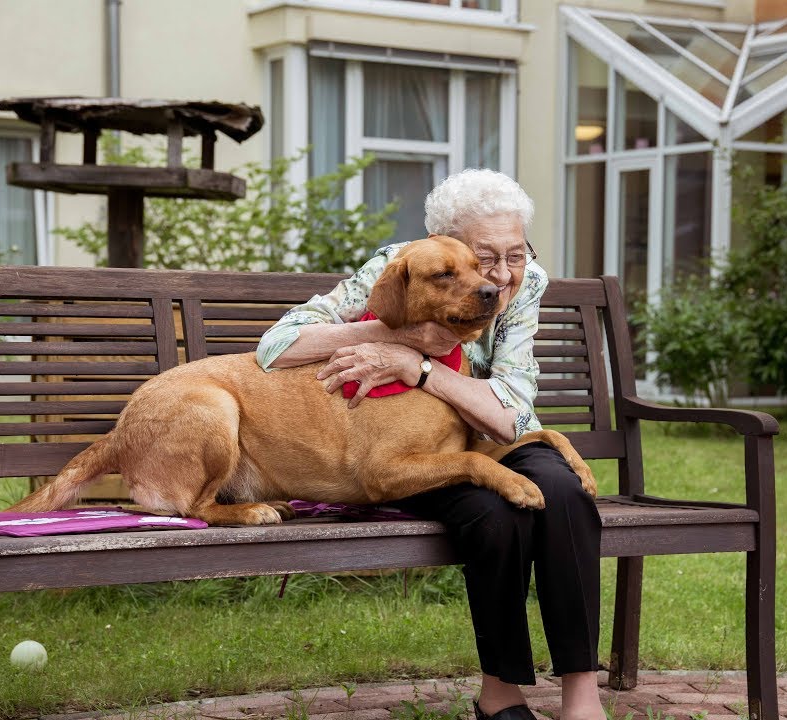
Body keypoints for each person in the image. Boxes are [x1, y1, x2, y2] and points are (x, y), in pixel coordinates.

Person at [255, 169, 606, 720]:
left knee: (562, 489)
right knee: (496, 514)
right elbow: (276, 346)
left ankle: (582, 696)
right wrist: (385, 334)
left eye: (515, 253)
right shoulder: (400, 263)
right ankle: (501, 695)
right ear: (449, 247)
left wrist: (419, 368)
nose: (498, 276)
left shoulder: (523, 282)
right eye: (483, 256)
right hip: (410, 447)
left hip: (491, 429)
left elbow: (512, 413)